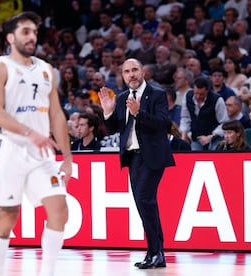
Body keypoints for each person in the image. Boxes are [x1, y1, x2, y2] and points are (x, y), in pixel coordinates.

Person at [0, 12, 72, 276]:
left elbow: (56, 114)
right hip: (9, 147)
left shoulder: (46, 69)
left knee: (59, 210)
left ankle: (48, 271)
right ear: (11, 37)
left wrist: (67, 158)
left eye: (34, 31)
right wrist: (30, 132)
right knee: (7, 216)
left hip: (41, 151)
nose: (32, 36)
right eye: (25, 32)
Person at [99, 58, 175, 269]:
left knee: (144, 200)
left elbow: (162, 123)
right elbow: (115, 128)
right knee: (146, 203)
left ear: (142, 72)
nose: (131, 74)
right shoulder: (123, 97)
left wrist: (138, 113)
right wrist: (107, 111)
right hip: (132, 157)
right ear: (122, 76)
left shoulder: (157, 94)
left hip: (152, 156)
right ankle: (156, 252)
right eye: (126, 72)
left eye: (134, 70)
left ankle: (155, 252)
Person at [180, 77, 229, 151]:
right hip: (196, 138)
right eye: (196, 93)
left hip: (215, 139)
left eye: (201, 94)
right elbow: (185, 117)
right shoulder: (187, 96)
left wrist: (210, 137)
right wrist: (184, 136)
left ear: (207, 91)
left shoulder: (217, 100)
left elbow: (224, 123)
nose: (198, 97)